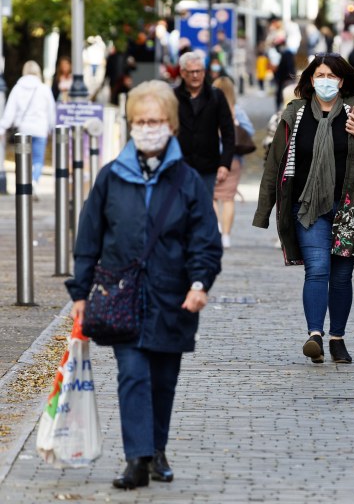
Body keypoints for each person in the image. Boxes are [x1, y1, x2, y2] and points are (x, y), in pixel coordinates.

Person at [65, 80, 222, 489]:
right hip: (123, 296)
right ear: (130, 124)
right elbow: (89, 238)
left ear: (170, 125)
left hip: (174, 297)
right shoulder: (111, 177)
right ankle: (137, 459)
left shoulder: (187, 180)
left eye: (154, 120)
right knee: (133, 373)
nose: (147, 127)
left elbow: (204, 240)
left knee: (163, 380)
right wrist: (80, 293)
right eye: (139, 121)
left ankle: (156, 450)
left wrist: (200, 283)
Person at [254, 52, 354, 364]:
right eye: (320, 76)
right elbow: (275, 164)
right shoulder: (295, 113)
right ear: (310, 80)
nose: (326, 81)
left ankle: (337, 338)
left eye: (332, 76)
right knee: (317, 269)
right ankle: (315, 335)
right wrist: (264, 210)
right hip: (307, 205)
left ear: (342, 80)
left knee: (341, 276)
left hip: (349, 207)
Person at [174, 51, 236, 200]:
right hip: (179, 165)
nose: (195, 75)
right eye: (191, 72)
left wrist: (225, 164)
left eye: (199, 71)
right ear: (183, 73)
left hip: (208, 166)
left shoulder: (216, 96)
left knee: (204, 209)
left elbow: (228, 131)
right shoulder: (173, 97)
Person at [211, 77, 254, 249]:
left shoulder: (210, 107)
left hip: (211, 156)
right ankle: (226, 236)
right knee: (228, 198)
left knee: (211, 197)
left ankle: (216, 229)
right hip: (233, 159)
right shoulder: (237, 111)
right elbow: (249, 131)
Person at [0, 61, 57, 190]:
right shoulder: (44, 89)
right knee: (38, 159)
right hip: (40, 129)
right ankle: (34, 181)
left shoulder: (18, 88)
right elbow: (51, 112)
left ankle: (23, 187)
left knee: (22, 160)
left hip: (23, 130)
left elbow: (10, 112)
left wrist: (2, 127)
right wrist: (52, 128)